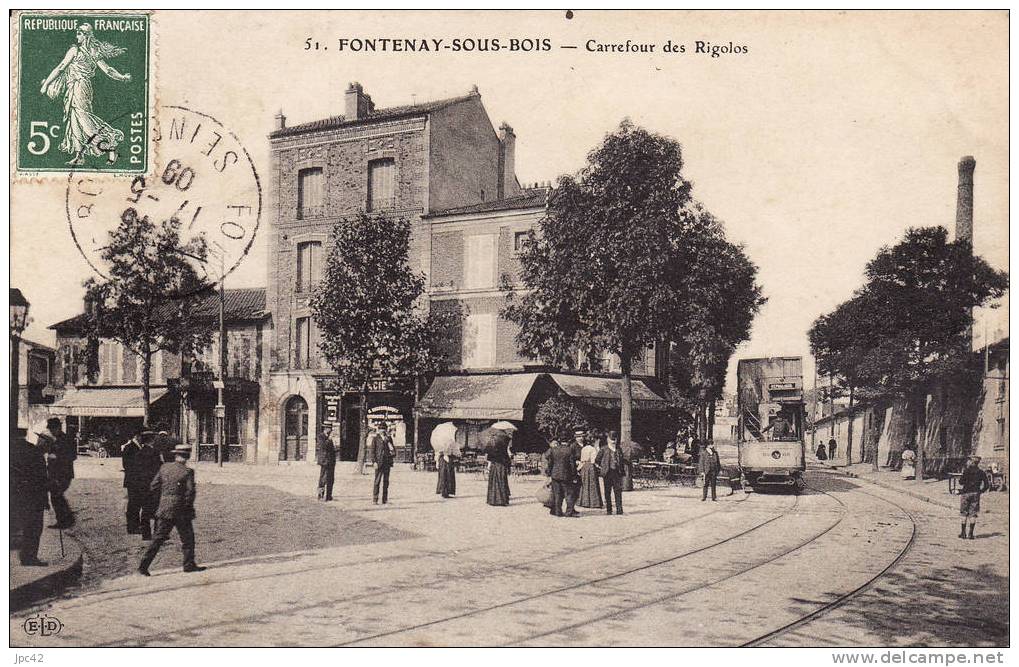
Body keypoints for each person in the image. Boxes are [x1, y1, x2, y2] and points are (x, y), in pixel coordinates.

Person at [39, 23, 132, 165]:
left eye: (79, 33)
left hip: (79, 87)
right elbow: (108, 70)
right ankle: (79, 156)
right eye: (77, 33)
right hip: (78, 87)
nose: (77, 35)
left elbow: (61, 67)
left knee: (83, 119)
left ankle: (110, 142)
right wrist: (122, 77)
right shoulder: (93, 51)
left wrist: (46, 84)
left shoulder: (75, 50)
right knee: (74, 119)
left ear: (86, 35)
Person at [138, 444, 205, 575]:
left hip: (165, 509)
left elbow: (154, 486)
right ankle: (188, 564)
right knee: (187, 539)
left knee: (158, 539)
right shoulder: (187, 472)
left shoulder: (164, 468)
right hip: (181, 511)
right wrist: (187, 507)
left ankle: (143, 566)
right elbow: (190, 493)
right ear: (188, 456)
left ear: (176, 455)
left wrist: (164, 500)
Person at [11, 427, 50, 566]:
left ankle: (26, 556)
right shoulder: (35, 454)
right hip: (34, 498)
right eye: (46, 445)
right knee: (33, 528)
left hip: (21, 496)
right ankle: (29, 557)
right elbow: (41, 480)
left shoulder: (20, 451)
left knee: (26, 527)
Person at [37, 417, 76, 528]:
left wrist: (57, 457)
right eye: (50, 429)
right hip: (55, 473)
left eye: (53, 429)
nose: (51, 431)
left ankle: (65, 520)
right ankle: (65, 519)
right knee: (56, 496)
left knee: (56, 495)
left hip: (63, 473)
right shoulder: (55, 439)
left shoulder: (66, 439)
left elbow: (72, 456)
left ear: (58, 427)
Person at [123, 432, 162, 539]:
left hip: (139, 482)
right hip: (139, 482)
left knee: (139, 506)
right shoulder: (131, 448)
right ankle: (135, 527)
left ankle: (143, 531)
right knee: (141, 505)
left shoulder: (140, 451)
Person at [545, 432, 581, 517]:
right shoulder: (569, 450)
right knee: (569, 494)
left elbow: (550, 463)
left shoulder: (554, 450)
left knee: (557, 494)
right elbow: (572, 465)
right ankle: (569, 512)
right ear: (568, 441)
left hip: (555, 475)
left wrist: (549, 474)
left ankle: (558, 512)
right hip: (566, 475)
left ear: (559, 441)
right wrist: (574, 476)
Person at [958, 456, 990, 540]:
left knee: (964, 512)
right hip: (976, 494)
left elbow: (961, 482)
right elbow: (987, 485)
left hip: (965, 493)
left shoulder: (966, 471)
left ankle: (963, 533)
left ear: (972, 462)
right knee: (973, 513)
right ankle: (971, 534)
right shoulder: (981, 472)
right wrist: (980, 491)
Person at [596, 431, 624, 515]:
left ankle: (619, 510)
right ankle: (609, 509)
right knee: (607, 492)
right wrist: (602, 468)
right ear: (608, 439)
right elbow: (597, 460)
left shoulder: (619, 449)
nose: (613, 441)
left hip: (617, 473)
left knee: (618, 492)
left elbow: (621, 460)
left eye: (614, 440)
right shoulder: (603, 449)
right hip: (607, 473)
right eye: (612, 440)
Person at [578, 432, 603, 509]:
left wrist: (578, 468)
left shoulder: (583, 449)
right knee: (593, 484)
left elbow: (582, 460)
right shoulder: (593, 449)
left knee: (585, 484)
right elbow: (593, 461)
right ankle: (594, 502)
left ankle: (584, 502)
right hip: (591, 467)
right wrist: (599, 467)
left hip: (584, 466)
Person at [486, 430, 512, 506]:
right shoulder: (506, 439)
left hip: (495, 464)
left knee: (494, 481)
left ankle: (493, 500)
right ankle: (503, 500)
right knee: (502, 481)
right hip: (502, 463)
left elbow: (489, 455)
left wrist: (489, 464)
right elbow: (507, 453)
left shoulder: (492, 441)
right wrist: (508, 464)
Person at [372, 425, 395, 504]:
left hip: (387, 462)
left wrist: (389, 444)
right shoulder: (375, 439)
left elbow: (393, 450)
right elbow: (373, 451)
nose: (382, 431)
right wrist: (374, 462)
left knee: (386, 482)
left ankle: (384, 499)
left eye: (384, 429)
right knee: (377, 481)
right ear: (379, 430)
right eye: (381, 429)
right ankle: (375, 499)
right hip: (379, 462)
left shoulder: (388, 439)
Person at [316, 424, 337, 501]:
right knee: (323, 478)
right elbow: (323, 447)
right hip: (324, 461)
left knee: (331, 479)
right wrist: (329, 439)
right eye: (329, 428)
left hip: (331, 461)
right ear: (326, 428)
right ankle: (320, 495)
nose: (330, 430)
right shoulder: (320, 437)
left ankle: (329, 496)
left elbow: (331, 449)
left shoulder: (329, 438)